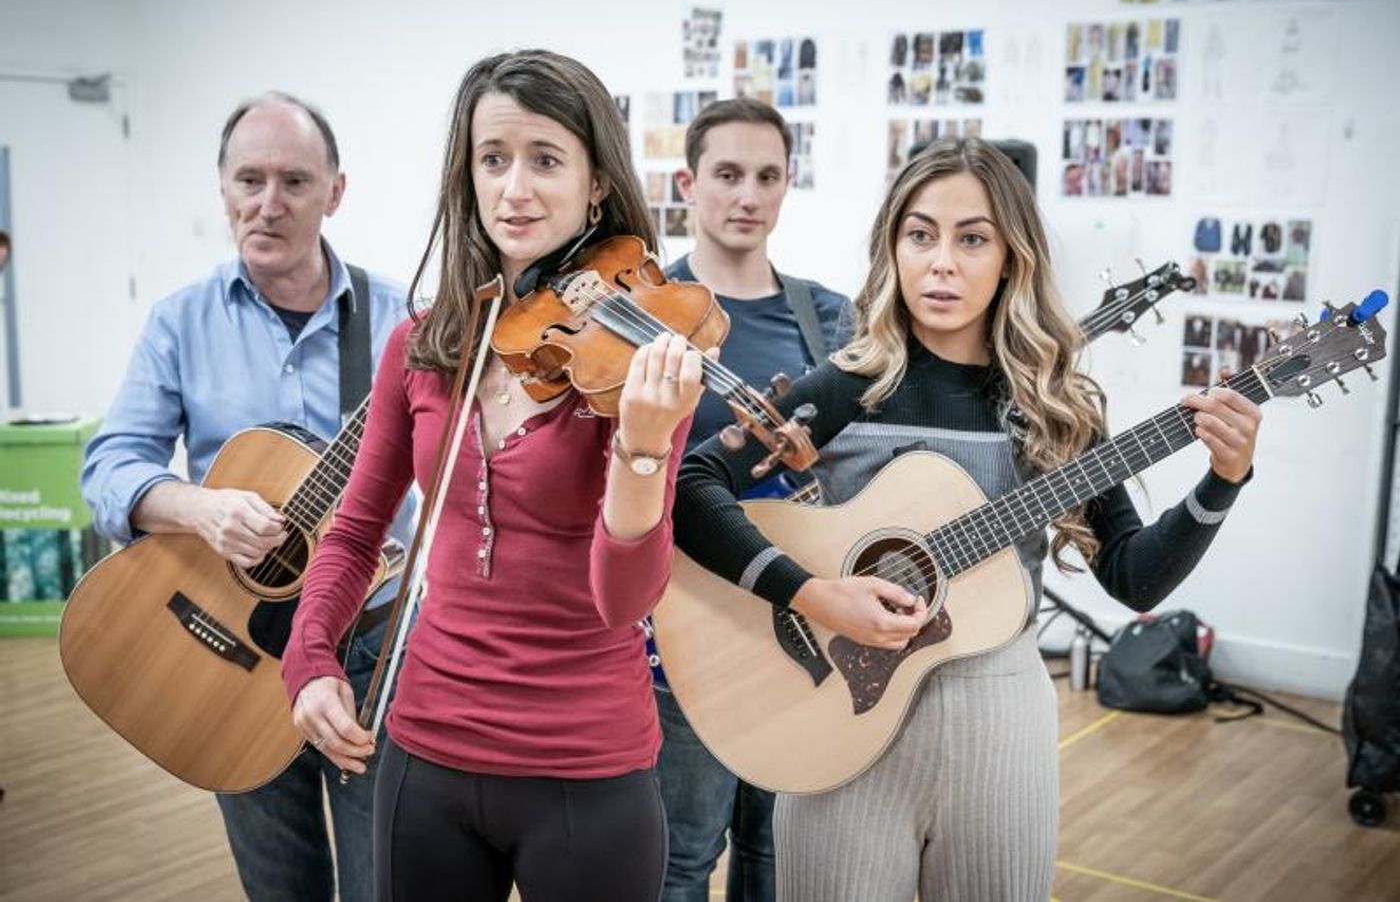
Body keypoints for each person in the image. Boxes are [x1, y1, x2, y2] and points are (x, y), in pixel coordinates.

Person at [673, 137, 1261, 901]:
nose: (941, 261)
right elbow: (692, 484)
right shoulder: (849, 385)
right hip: (836, 725)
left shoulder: (1055, 406)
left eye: (972, 237)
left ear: (1011, 257)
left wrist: (1224, 479)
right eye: (921, 234)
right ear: (895, 247)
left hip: (1000, 722)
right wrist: (810, 593)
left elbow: (1134, 576)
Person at [281, 49, 704, 902]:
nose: (515, 187)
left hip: (587, 770)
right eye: (493, 158)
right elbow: (358, 530)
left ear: (595, 184)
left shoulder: (643, 362)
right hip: (425, 754)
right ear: (466, 175)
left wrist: (642, 448)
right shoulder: (423, 345)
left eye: (545, 159)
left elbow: (626, 600)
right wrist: (310, 655)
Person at [80, 93, 415, 901]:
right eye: (250, 179)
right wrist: (201, 508)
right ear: (223, 189)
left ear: (334, 192)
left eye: (295, 181)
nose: (269, 203)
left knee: (386, 883)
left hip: (367, 648)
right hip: (227, 646)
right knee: (279, 887)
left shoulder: (405, 321)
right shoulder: (179, 321)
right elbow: (110, 466)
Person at [657, 97, 850, 902]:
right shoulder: (641, 314)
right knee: (681, 855)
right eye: (728, 174)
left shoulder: (828, 315)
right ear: (688, 184)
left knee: (779, 854)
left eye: (767, 176)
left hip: (796, 616)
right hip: (680, 627)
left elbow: (849, 470)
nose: (748, 195)